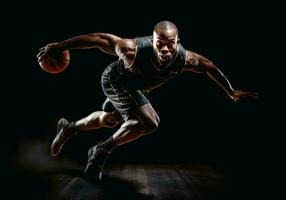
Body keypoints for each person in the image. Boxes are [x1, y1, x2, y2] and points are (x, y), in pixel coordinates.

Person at [37, 21, 258, 181]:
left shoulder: (186, 59)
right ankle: (100, 151)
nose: (164, 49)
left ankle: (70, 127)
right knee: (150, 122)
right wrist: (62, 45)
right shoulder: (131, 49)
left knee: (111, 119)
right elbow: (101, 39)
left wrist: (230, 91)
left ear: (177, 41)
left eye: (170, 44)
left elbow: (209, 66)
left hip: (135, 88)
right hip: (115, 80)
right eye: (159, 43)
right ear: (152, 41)